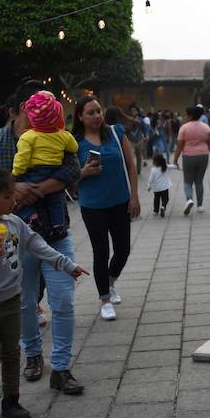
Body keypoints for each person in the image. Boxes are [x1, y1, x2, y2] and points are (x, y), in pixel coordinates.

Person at [0, 80, 84, 395]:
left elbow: (73, 169)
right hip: (13, 237)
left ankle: (61, 368)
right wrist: (13, 187)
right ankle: (32, 354)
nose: (42, 116)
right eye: (33, 111)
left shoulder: (56, 136)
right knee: (24, 301)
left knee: (63, 300)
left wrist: (37, 189)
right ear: (14, 111)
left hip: (54, 232)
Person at [0, 167, 87, 418]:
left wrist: (67, 265)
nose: (15, 200)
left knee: (12, 353)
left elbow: (39, 245)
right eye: (8, 195)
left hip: (11, 298)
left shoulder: (14, 223)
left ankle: (11, 400)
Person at [73, 96, 140, 321]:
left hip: (120, 201)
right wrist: (83, 173)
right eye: (90, 113)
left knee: (123, 250)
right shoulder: (74, 142)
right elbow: (68, 178)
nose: (97, 116)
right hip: (93, 205)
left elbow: (131, 166)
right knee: (100, 252)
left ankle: (110, 282)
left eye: (98, 111)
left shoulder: (115, 133)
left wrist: (135, 196)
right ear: (80, 117)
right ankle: (104, 299)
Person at [12, 91, 78, 236]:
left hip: (33, 172)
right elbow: (74, 148)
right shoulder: (63, 135)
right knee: (54, 200)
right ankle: (58, 224)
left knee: (27, 201)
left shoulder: (27, 136)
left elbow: (22, 158)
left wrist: (16, 174)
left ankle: (32, 218)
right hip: (53, 170)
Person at [172, 106, 210, 214]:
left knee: (188, 181)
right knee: (199, 181)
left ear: (190, 115)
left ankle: (189, 200)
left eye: (186, 115)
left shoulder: (184, 128)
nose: (185, 116)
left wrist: (175, 160)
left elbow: (179, 146)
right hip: (203, 156)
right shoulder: (206, 127)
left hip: (188, 156)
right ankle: (200, 206)